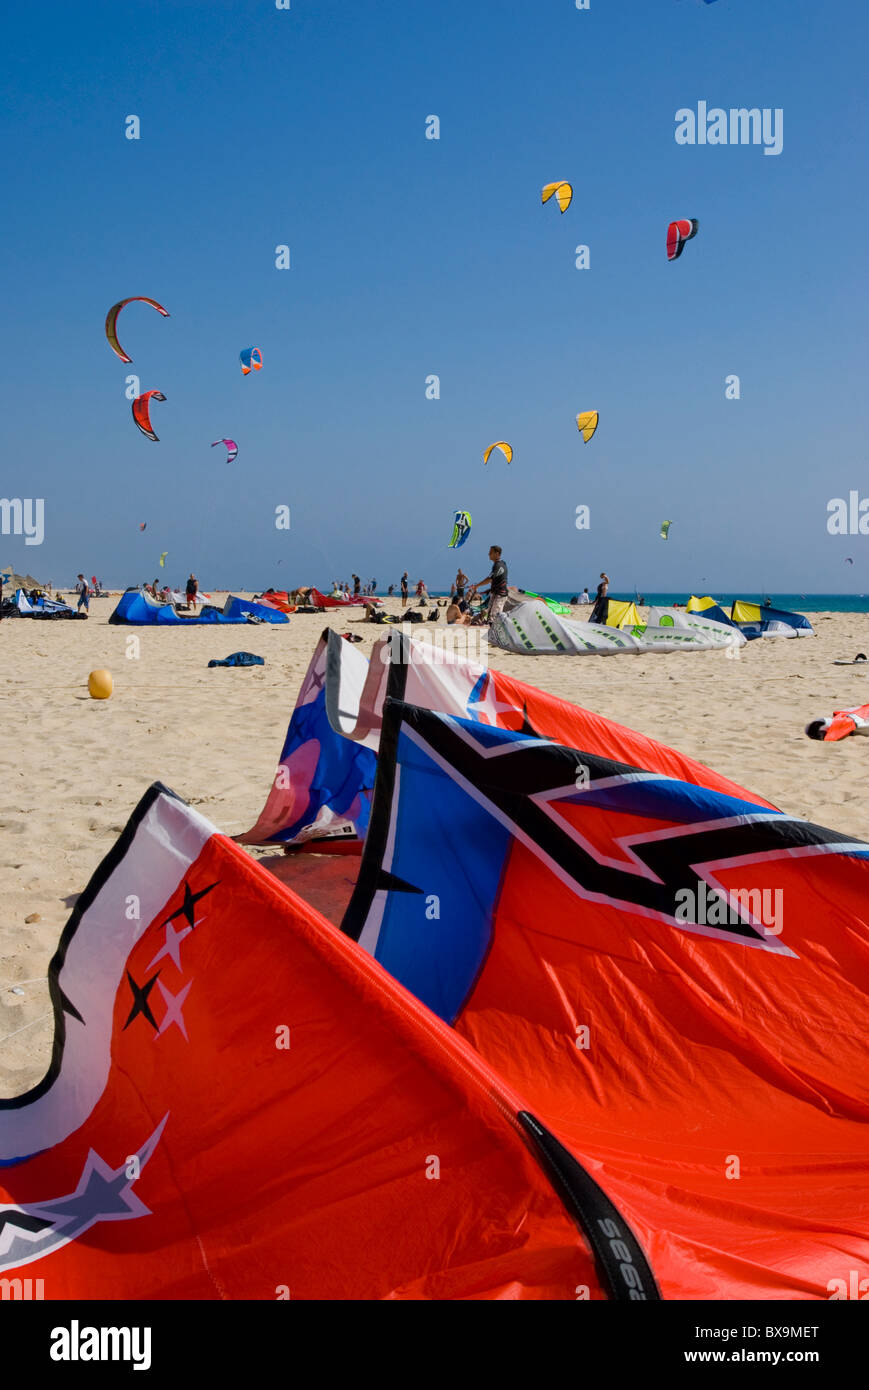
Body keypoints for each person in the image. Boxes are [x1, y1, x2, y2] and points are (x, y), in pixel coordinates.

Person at [469, 545, 508, 623]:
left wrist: (477, 585)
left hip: (500, 595)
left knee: (494, 618)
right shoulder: (500, 564)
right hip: (495, 593)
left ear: (497, 553)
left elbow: (489, 579)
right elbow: (497, 579)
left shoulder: (498, 565)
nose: (488, 554)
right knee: (489, 615)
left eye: (490, 552)